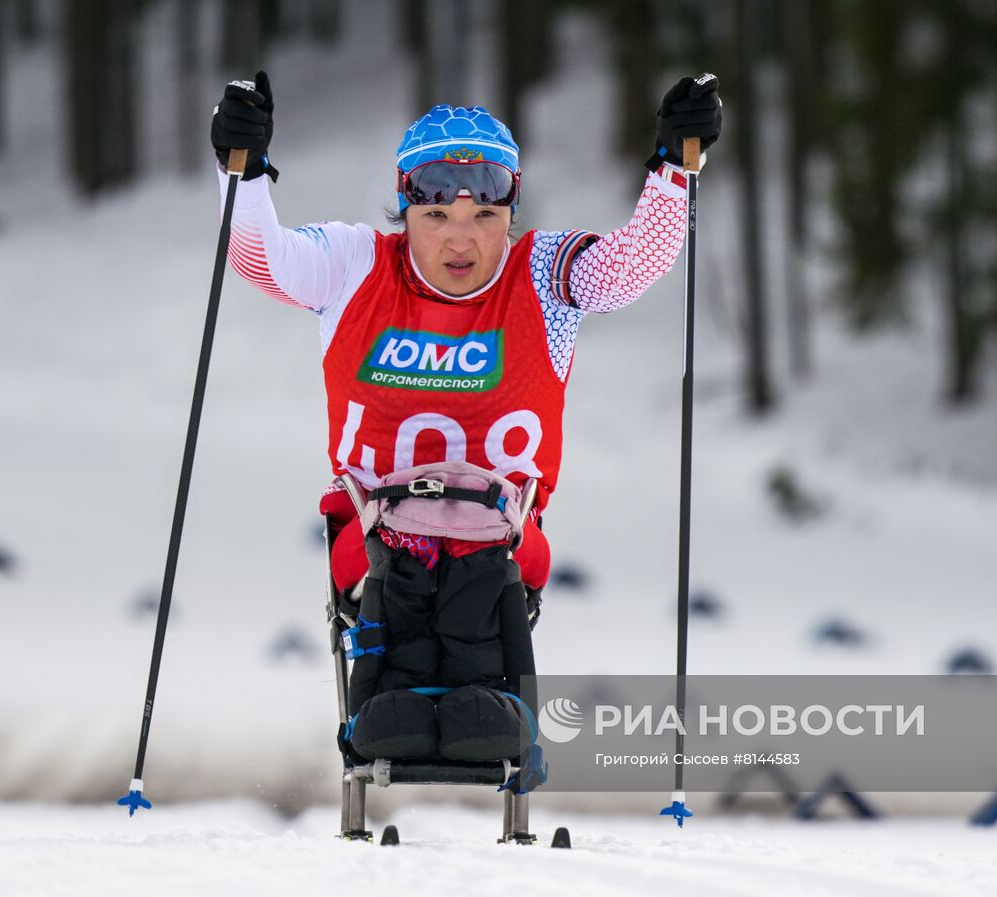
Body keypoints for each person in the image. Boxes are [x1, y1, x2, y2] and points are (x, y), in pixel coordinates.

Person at [210, 71, 721, 604]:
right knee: (397, 623)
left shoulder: (543, 275)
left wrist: (672, 168)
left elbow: (635, 264)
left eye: (484, 214)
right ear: (405, 209)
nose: (461, 238)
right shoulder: (355, 265)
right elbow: (259, 259)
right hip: (375, 546)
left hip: (498, 551)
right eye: (435, 215)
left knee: (477, 618)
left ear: (510, 211)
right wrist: (238, 171)